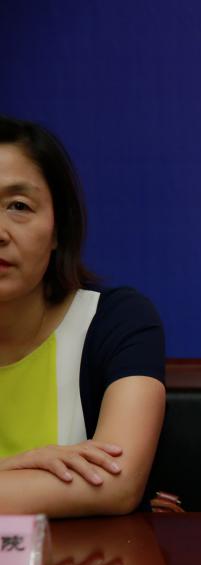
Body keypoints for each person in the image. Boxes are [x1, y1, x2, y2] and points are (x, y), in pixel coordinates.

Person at [0, 116, 165, 517]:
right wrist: (15, 468)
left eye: (19, 206)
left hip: (82, 558)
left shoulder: (114, 321)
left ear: (58, 229)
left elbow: (117, 482)